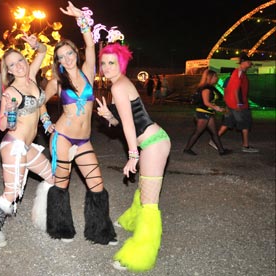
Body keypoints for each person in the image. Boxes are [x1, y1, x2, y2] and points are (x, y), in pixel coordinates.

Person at [41, 1, 117, 246]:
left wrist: (81, 19)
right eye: (61, 57)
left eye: (69, 53)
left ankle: (100, 231)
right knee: (61, 185)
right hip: (62, 138)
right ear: (59, 61)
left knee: (97, 184)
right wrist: (46, 122)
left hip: (84, 140)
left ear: (75, 53)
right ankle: (61, 228)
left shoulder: (88, 70)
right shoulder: (57, 82)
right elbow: (38, 100)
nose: (67, 58)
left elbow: (89, 43)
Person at [96, 43, 171, 272]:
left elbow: (130, 127)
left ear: (121, 64)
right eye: (104, 63)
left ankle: (140, 253)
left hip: (154, 144)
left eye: (112, 63)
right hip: (151, 142)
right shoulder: (118, 84)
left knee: (150, 202)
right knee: (145, 187)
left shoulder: (119, 87)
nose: (107, 67)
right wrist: (110, 115)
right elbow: (124, 122)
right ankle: (132, 219)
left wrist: (132, 155)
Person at [0, 34, 55, 249]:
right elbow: (3, 126)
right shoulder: (11, 91)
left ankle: (42, 219)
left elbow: (42, 51)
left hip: (28, 147)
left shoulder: (32, 78)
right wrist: (10, 113)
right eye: (12, 65)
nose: (18, 66)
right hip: (13, 146)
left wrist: (36, 44)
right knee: (10, 194)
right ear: (8, 71)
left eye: (20, 60)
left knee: (52, 178)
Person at [212, 54, 259, 153]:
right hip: (238, 105)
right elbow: (235, 89)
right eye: (248, 63)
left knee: (227, 123)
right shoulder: (238, 73)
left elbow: (229, 90)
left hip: (232, 104)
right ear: (243, 62)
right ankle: (245, 146)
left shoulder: (238, 73)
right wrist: (239, 104)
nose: (250, 65)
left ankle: (214, 140)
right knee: (245, 123)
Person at [183, 69, 231, 156]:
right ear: (210, 77)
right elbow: (206, 102)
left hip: (208, 113)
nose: (217, 78)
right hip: (202, 113)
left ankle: (221, 151)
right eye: (215, 76)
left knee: (214, 133)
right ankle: (187, 149)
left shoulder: (210, 87)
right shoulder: (206, 88)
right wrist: (217, 108)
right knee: (198, 132)